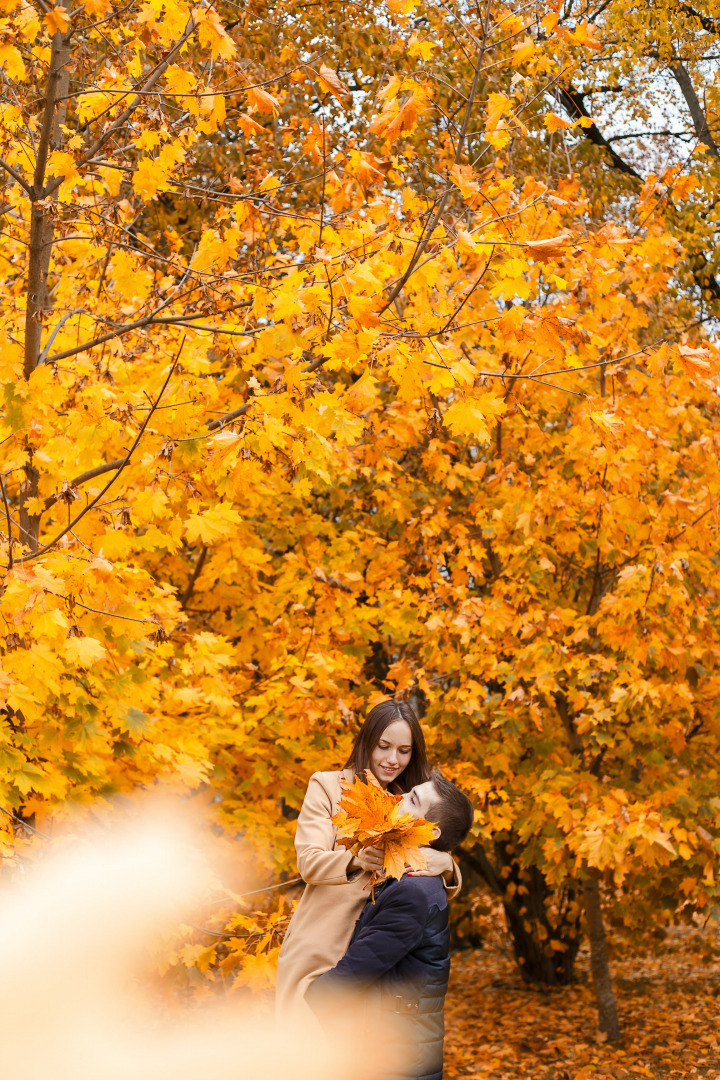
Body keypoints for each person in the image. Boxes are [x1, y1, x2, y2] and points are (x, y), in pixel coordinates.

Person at [275, 700, 462, 1027]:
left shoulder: (409, 802)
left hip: (368, 960)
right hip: (321, 949)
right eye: (383, 746)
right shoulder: (328, 787)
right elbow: (308, 862)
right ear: (367, 742)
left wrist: (446, 864)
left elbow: (425, 875)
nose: (393, 760)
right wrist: (353, 859)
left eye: (404, 751)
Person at [306, 771, 474, 1080]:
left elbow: (358, 970)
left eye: (412, 800)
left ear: (431, 832)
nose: (398, 798)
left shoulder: (413, 891)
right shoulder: (409, 878)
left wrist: (311, 997)